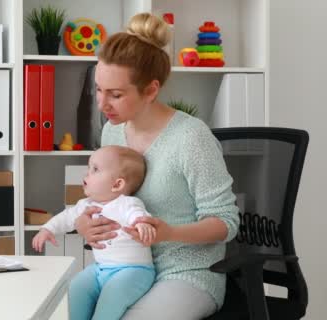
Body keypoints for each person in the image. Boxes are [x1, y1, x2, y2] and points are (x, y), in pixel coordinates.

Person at [73, 13, 240, 319]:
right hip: (124, 267)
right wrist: (86, 223)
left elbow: (226, 223)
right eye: (98, 89)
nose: (102, 104)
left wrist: (168, 232)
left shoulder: (191, 138)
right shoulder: (113, 130)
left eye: (116, 94)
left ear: (151, 90)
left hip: (186, 273)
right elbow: (105, 194)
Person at [32, 145, 156, 320]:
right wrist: (47, 229)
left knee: (111, 300)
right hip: (100, 269)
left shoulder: (126, 203)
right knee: (75, 288)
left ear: (117, 184)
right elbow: (67, 217)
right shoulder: (85, 204)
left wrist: (142, 223)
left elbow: (137, 214)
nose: (87, 173)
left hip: (133, 271)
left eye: (95, 169)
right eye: (89, 168)